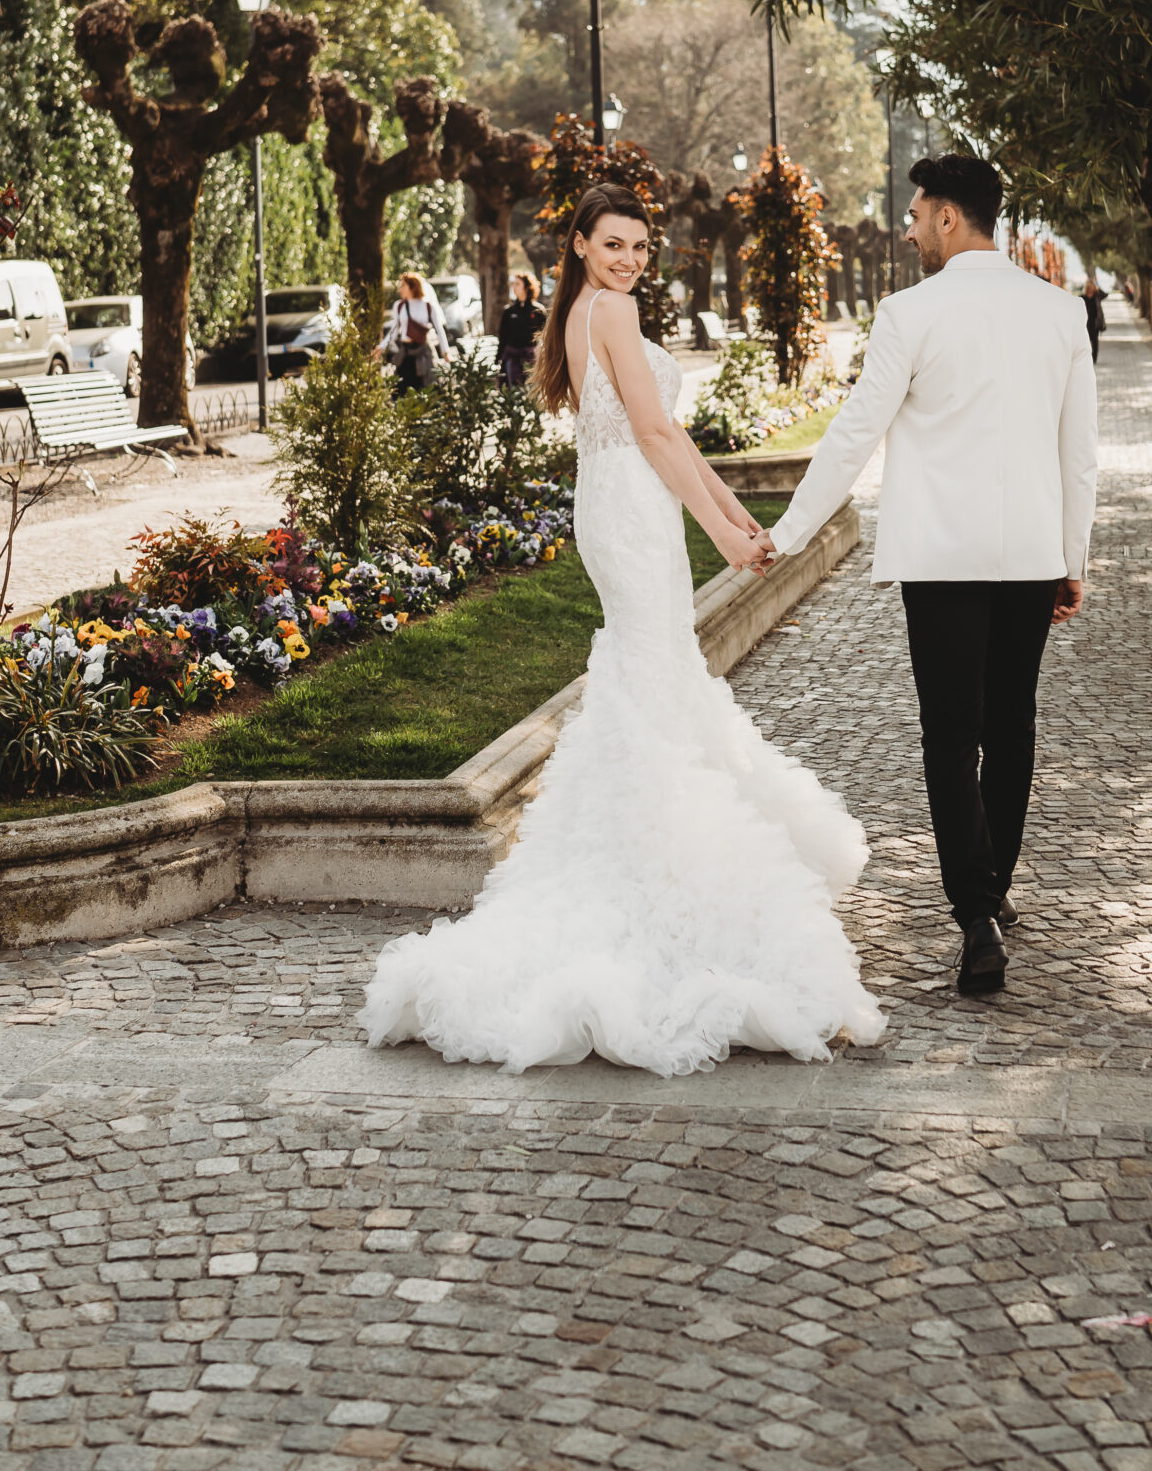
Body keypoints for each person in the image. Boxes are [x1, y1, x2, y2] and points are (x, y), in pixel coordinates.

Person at [362, 182, 885, 1076]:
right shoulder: (607, 309)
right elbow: (652, 429)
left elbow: (668, 435)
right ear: (578, 245)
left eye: (640, 247)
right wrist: (725, 530)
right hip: (630, 508)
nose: (629, 259)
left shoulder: (586, 310)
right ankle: (664, 872)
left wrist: (728, 513)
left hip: (622, 503)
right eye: (613, 244)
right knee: (651, 666)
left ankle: (644, 850)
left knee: (655, 671)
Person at [769, 152, 1098, 1002]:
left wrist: (789, 532)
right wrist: (1073, 559)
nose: (910, 228)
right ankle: (992, 893)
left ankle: (976, 913)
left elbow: (853, 434)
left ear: (949, 216)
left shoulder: (907, 313)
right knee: (1012, 724)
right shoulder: (1060, 313)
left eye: (916, 214)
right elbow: (1079, 456)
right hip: (1030, 555)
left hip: (941, 562)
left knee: (951, 736)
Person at [377, 271, 448, 391]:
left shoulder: (428, 306)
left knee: (427, 388)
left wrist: (445, 352)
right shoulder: (399, 306)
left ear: (412, 286)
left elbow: (439, 330)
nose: (400, 289)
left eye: (403, 285)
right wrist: (381, 347)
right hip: (406, 354)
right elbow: (394, 332)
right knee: (402, 391)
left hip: (423, 353)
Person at [496, 272, 545, 387]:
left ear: (527, 287)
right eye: (513, 284)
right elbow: (503, 337)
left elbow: (545, 335)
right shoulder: (508, 312)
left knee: (532, 388)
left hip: (532, 358)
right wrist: (498, 359)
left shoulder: (538, 310)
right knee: (514, 389)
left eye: (518, 284)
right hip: (512, 358)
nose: (514, 287)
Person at [1082, 271, 1107, 364]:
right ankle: (1088, 358)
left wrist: (1096, 284)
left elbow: (1105, 294)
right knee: (1087, 342)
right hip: (1086, 323)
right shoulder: (1083, 297)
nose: (1090, 289)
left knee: (1095, 341)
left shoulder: (1097, 296)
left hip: (1095, 322)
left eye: (1092, 287)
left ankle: (1094, 358)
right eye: (1089, 287)